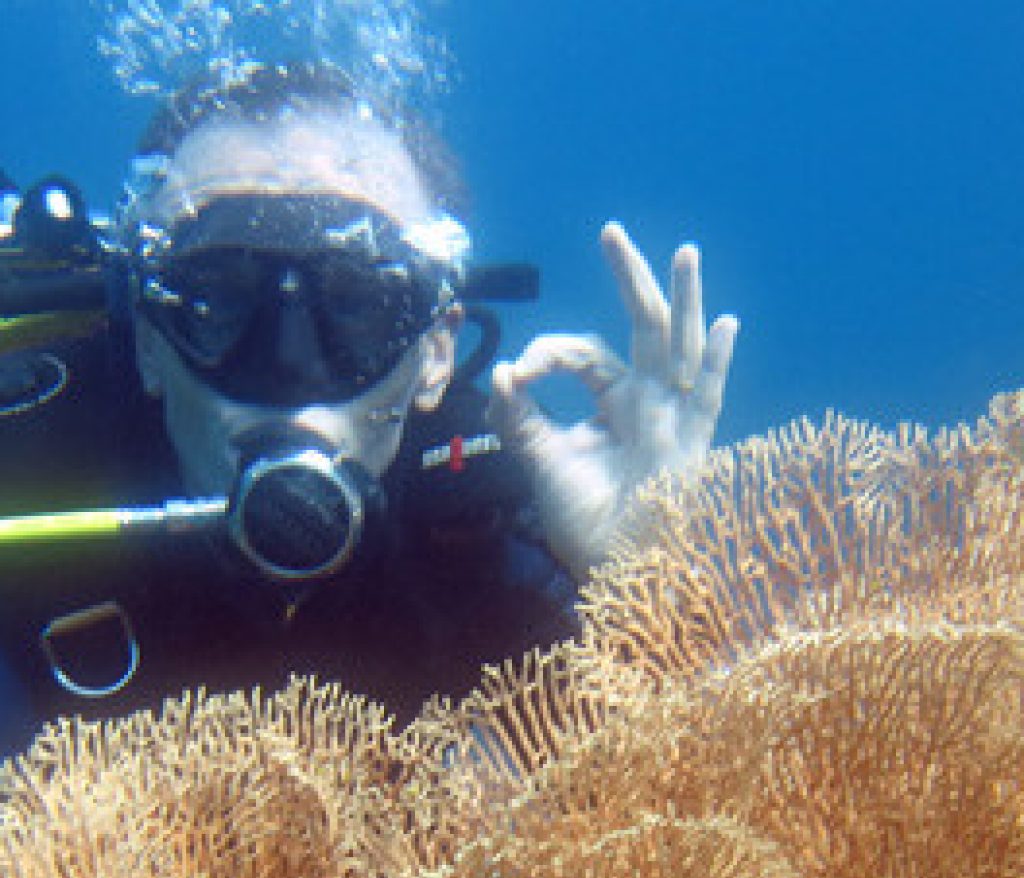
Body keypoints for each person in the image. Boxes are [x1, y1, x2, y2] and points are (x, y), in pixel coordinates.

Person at [0, 61, 738, 756]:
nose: (289, 368)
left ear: (436, 354)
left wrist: (639, 588)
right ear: (149, 343)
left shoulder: (492, 526)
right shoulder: (23, 481)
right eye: (219, 297)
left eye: (356, 303)